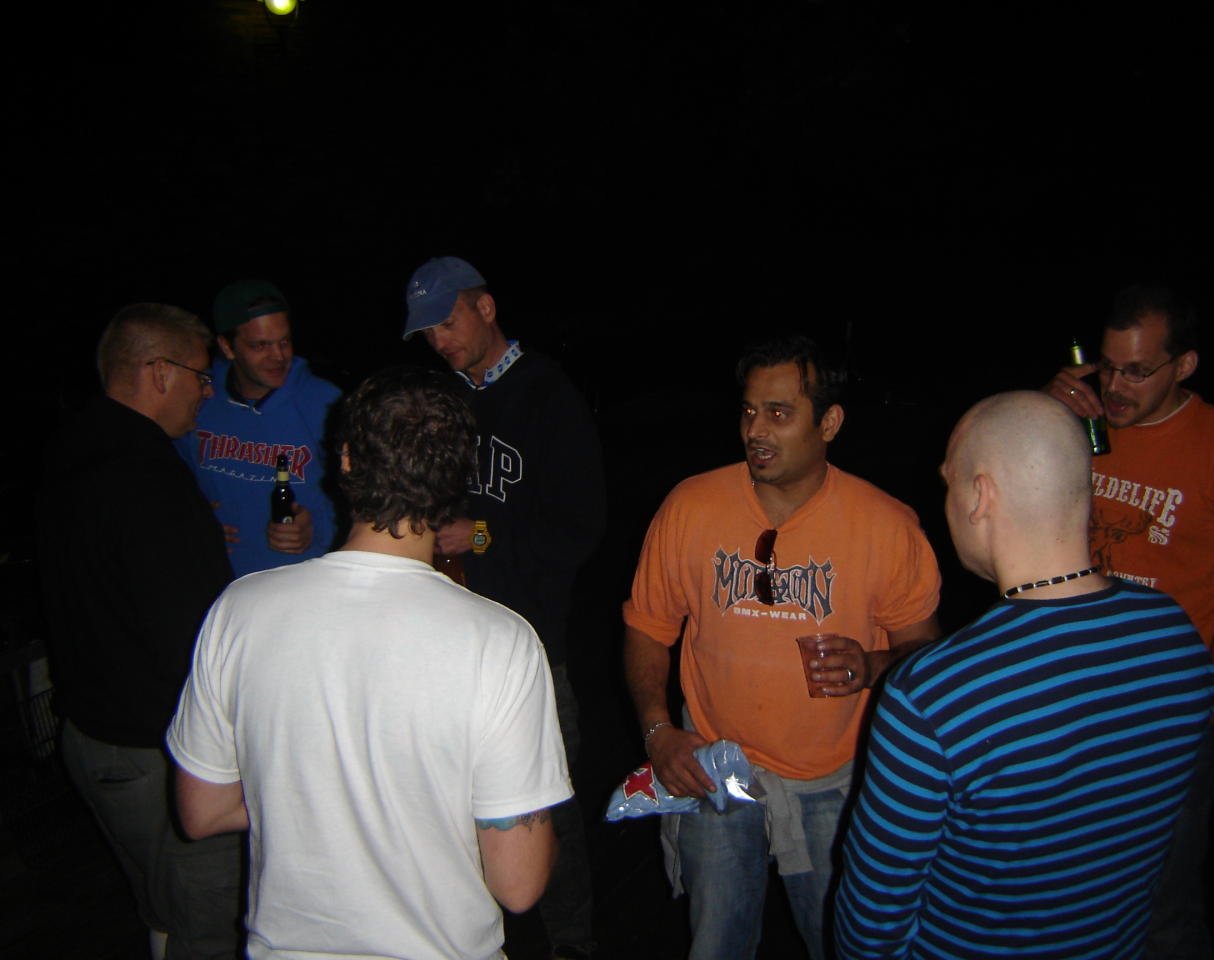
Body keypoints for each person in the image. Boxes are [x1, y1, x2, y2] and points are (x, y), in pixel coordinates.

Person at [166, 366, 571, 960]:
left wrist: (310, 795)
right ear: (459, 477)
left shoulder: (240, 609)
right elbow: (519, 884)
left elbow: (202, 811)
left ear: (347, 460)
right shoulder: (502, 643)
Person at [833, 391, 1214, 959]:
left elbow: (872, 921)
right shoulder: (1176, 635)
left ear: (981, 496)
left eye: (950, 483)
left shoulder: (935, 695)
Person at [622, 334, 942, 960]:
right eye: (749, 411)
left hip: (833, 779)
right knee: (716, 944)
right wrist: (658, 733)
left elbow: (925, 653)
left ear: (829, 423)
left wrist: (873, 665)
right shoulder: (691, 506)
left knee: (842, 943)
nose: (755, 431)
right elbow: (647, 628)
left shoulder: (885, 525)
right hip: (713, 766)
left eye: (779, 413)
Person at [1046, 284, 1214, 959]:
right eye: (1107, 366)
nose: (1115, 387)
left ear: (1185, 366)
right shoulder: (1082, 426)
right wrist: (1043, 409)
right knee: (1069, 887)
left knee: (1162, 905)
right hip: (1073, 698)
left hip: (1166, 708)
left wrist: (1206, 703)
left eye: (1137, 371)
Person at [402, 255, 606, 960]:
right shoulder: (440, 400)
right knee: (452, 801)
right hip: (447, 640)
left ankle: (572, 942)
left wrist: (481, 534)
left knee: (546, 806)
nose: (439, 341)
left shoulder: (549, 394)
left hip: (532, 644)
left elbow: (581, 526)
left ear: (484, 307)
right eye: (426, 333)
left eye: (446, 322)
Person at [37, 303, 241, 959]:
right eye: (200, 377)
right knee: (206, 926)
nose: (206, 393)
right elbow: (187, 636)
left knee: (160, 906)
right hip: (154, 749)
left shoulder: (70, 447)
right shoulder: (146, 474)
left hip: (91, 739)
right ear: (158, 372)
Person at [177, 279, 342, 579]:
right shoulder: (199, 399)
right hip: (219, 583)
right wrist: (192, 519)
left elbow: (365, 495)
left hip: (304, 581)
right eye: (260, 345)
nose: (278, 356)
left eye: (284, 342)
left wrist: (318, 528)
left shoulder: (326, 404)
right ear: (227, 346)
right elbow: (164, 479)